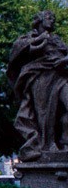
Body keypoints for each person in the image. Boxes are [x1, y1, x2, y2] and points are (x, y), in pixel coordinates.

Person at [8, 10, 68, 160]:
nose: (52, 20)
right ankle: (48, 145)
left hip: (60, 77)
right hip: (40, 78)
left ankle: (64, 141)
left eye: (53, 18)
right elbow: (18, 52)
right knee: (45, 113)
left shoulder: (57, 39)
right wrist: (40, 40)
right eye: (49, 17)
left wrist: (64, 60)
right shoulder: (28, 38)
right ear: (40, 20)